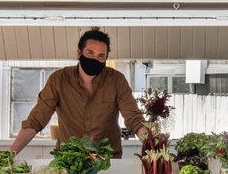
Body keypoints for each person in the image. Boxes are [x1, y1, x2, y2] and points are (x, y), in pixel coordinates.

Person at [9, 28, 147, 159]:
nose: (95, 59)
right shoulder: (59, 79)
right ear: (79, 53)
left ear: (106, 58)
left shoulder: (117, 80)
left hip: (107, 159)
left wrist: (153, 148)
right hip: (69, 159)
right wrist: (9, 156)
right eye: (90, 53)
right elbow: (36, 120)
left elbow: (134, 118)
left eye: (101, 55)